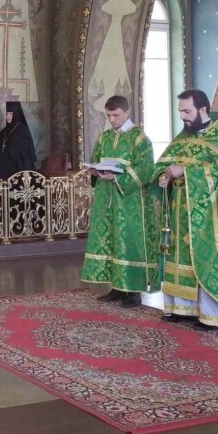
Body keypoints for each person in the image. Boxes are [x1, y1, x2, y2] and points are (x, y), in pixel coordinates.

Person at [153, 90, 218, 329]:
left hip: (209, 216)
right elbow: (165, 164)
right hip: (179, 211)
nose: (182, 117)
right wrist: (164, 176)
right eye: (180, 112)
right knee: (180, 256)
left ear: (203, 110)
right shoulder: (184, 137)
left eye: (186, 111)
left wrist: (185, 171)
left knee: (206, 258)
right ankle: (182, 308)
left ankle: (212, 314)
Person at [81, 96, 156, 307]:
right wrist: (94, 170)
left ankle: (133, 291)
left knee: (128, 241)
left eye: (116, 115)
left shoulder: (139, 139)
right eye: (109, 116)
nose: (112, 120)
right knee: (110, 239)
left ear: (127, 112)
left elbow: (145, 169)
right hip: (106, 197)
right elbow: (96, 159)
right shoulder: (104, 138)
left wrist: (117, 177)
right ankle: (116, 287)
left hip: (130, 201)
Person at [0, 101, 36, 179]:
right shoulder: (4, 131)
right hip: (4, 169)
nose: (8, 116)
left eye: (10, 114)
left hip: (18, 170)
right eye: (7, 113)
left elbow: (24, 157)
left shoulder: (23, 131)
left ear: (16, 114)